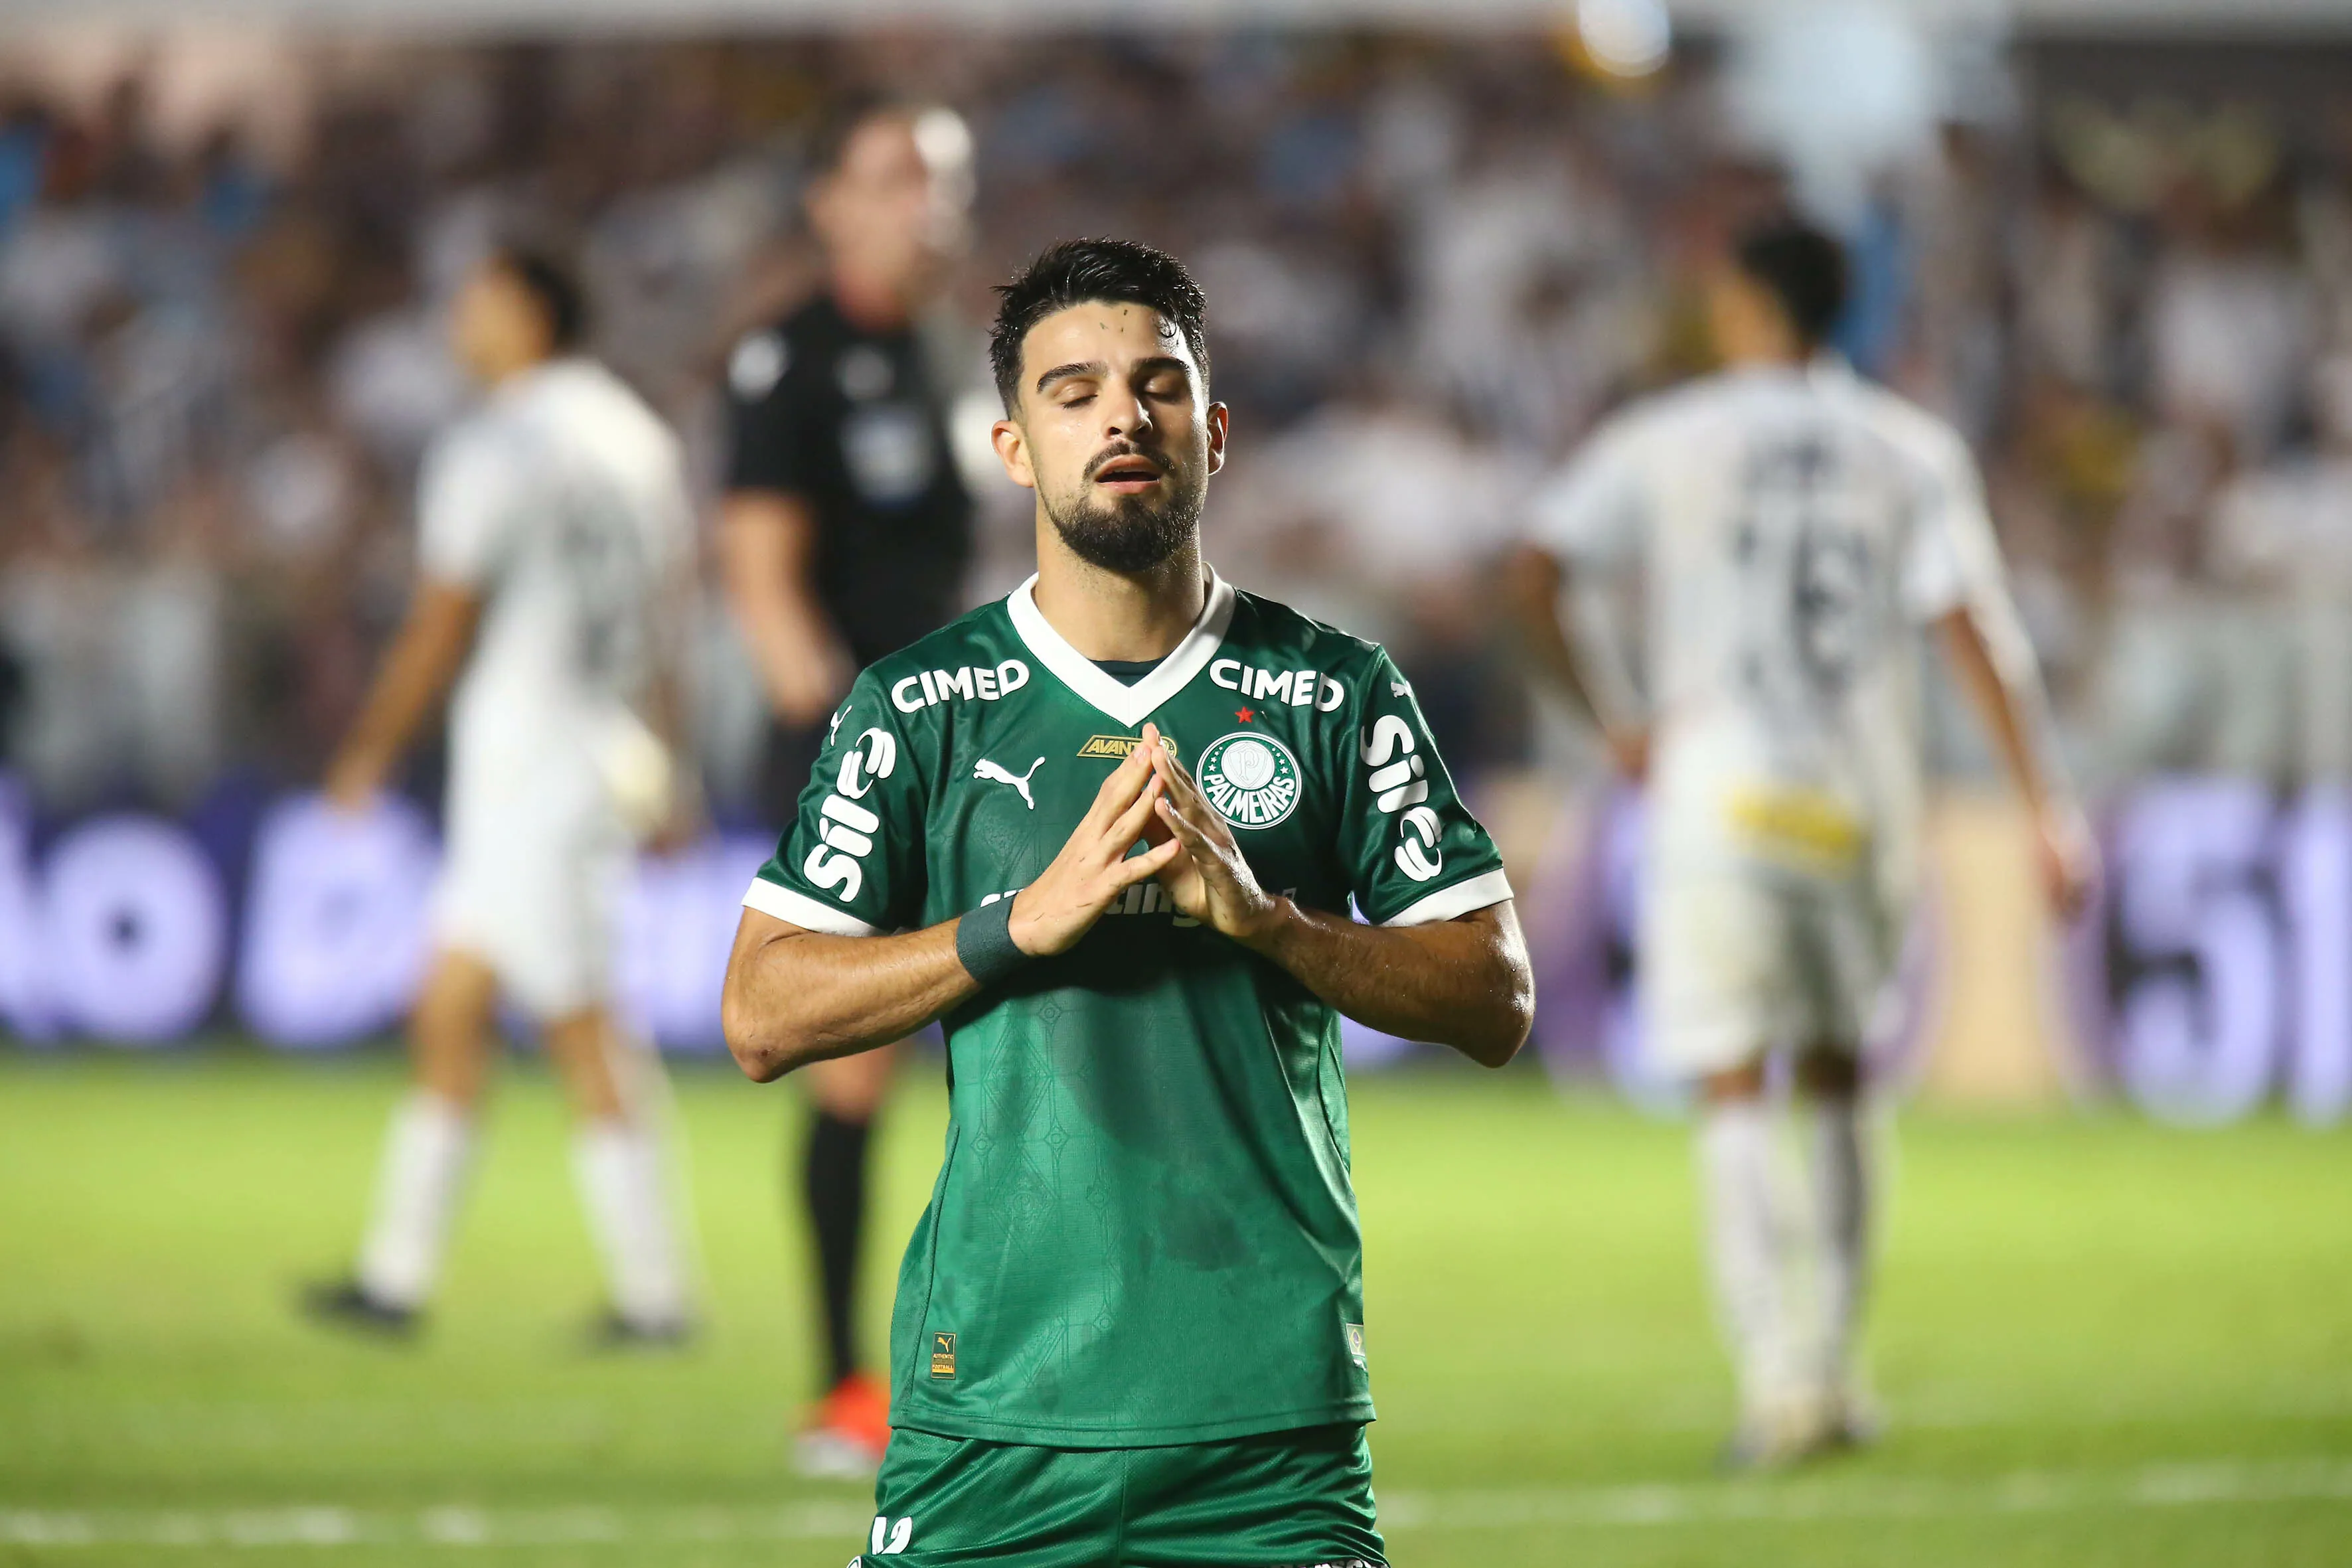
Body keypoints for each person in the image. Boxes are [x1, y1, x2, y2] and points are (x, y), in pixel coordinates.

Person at [720, 238, 1532, 1567]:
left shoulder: (1335, 688)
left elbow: (1497, 996)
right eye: (1073, 390)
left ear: (1212, 432)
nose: (1121, 416)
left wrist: (1274, 924)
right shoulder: (922, 705)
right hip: (991, 1422)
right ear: (1010, 447)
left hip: (1269, 1433)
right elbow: (760, 1011)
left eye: (1158, 386)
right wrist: (1012, 926)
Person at [1506, 215, 2096, 1468]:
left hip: (1717, 797)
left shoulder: (1669, 436)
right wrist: (2045, 802)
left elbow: (1534, 569)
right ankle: (1833, 1372)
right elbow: (1976, 627)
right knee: (1836, 1073)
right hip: (1854, 803)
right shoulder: (1908, 446)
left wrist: (1615, 719)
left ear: (1741, 306)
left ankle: (1775, 1385)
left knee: (1731, 1079)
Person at [303, 243, 700, 1345]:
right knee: (448, 1007)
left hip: (534, 765)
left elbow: (442, 618)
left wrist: (371, 748)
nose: (458, 323)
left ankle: (655, 1295)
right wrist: (676, 762)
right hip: (593, 746)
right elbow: (669, 611)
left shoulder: (498, 440)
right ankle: (394, 1277)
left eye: (476, 303)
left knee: (581, 1023)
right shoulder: (637, 435)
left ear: (531, 312)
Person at [717, 95, 977, 1475]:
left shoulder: (954, 352)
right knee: (860, 1068)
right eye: (891, 179)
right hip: (866, 755)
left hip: (971, 741)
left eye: (937, 180)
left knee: (1001, 1059)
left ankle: (984, 1364)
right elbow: (762, 581)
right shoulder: (792, 361)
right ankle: (842, 1387)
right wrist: (855, 756)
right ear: (826, 201)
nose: (922, 203)